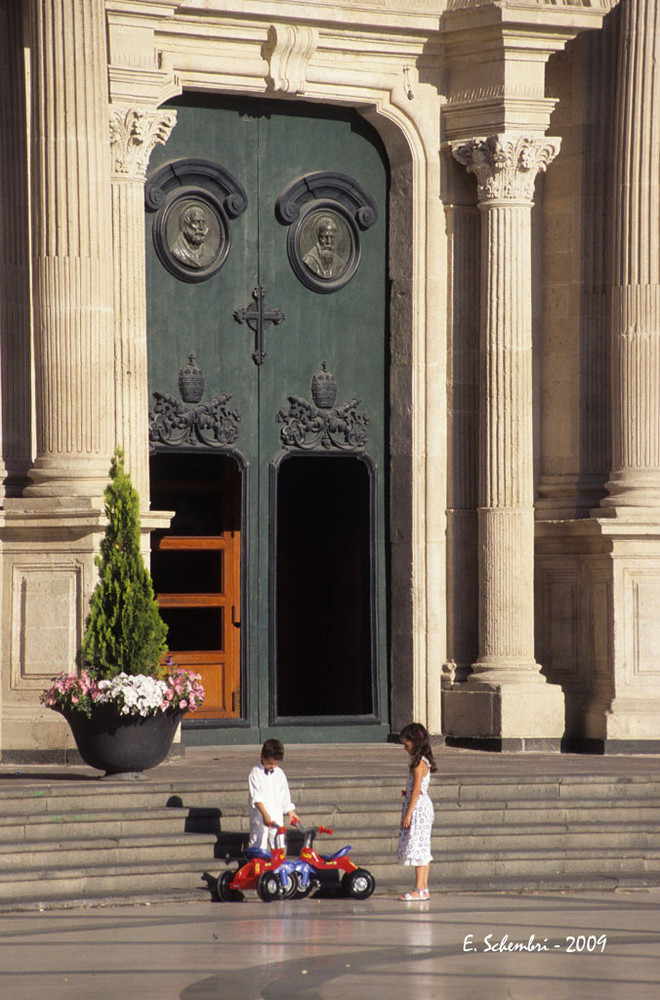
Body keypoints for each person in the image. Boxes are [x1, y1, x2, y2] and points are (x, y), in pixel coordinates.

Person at [397, 721, 437, 901]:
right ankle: (423, 888)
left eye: (407, 744)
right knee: (423, 846)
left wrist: (408, 814)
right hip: (422, 806)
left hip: (418, 807)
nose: (405, 748)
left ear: (415, 742)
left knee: (418, 847)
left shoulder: (418, 764)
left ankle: (419, 888)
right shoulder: (423, 761)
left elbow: (416, 790)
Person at [247, 738, 300, 851]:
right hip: (261, 815)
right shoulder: (255, 773)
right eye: (270, 763)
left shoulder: (279, 773)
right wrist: (265, 814)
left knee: (278, 845)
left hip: (276, 814)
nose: (273, 766)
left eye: (276, 763)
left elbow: (285, 794)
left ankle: (276, 866)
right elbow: (256, 797)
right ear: (261, 756)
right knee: (259, 842)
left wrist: (290, 811)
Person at [170, 203, 214, 269]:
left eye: (203, 223)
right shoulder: (176, 251)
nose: (201, 227)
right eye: (196, 222)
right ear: (185, 226)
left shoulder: (209, 254)